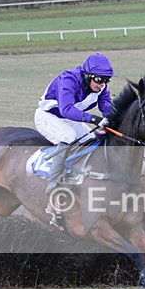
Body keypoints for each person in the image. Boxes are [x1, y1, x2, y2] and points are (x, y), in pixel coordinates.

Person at [35, 53, 116, 195]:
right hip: (47, 116)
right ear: (87, 75)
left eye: (106, 80)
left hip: (71, 119)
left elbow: (106, 107)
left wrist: (112, 121)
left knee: (91, 140)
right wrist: (95, 120)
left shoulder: (101, 87)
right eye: (99, 79)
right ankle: (53, 182)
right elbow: (66, 109)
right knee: (69, 136)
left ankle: (80, 174)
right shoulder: (68, 80)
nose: (102, 84)